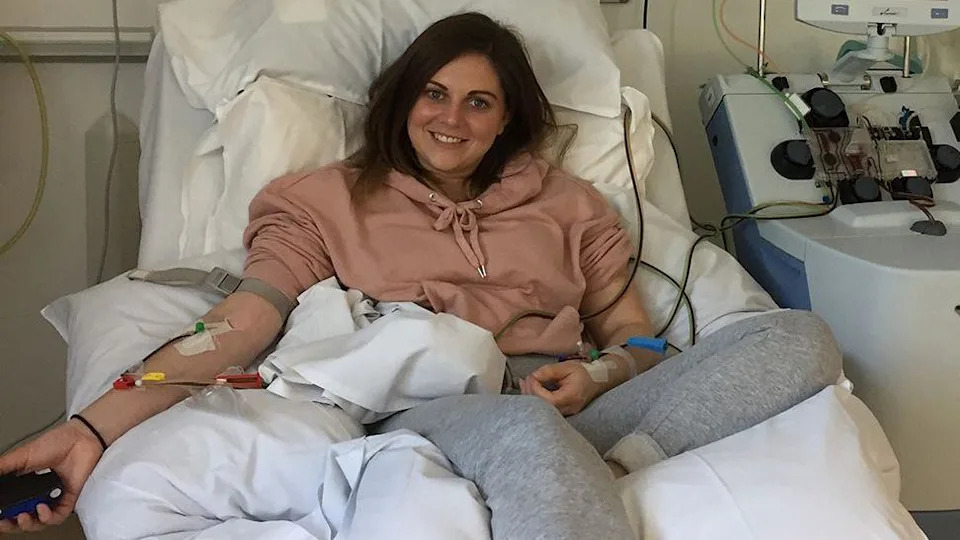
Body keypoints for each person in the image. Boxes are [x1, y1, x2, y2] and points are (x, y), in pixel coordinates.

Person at [0, 12, 842, 539]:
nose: (451, 119)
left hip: (572, 399)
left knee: (800, 341)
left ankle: (601, 461)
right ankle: (574, 465)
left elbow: (639, 337)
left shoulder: (571, 206)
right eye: (434, 95)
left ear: (509, 116)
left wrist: (600, 372)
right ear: (402, 101)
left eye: (479, 102)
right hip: (435, 404)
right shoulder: (324, 198)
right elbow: (243, 323)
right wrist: (92, 428)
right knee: (521, 435)